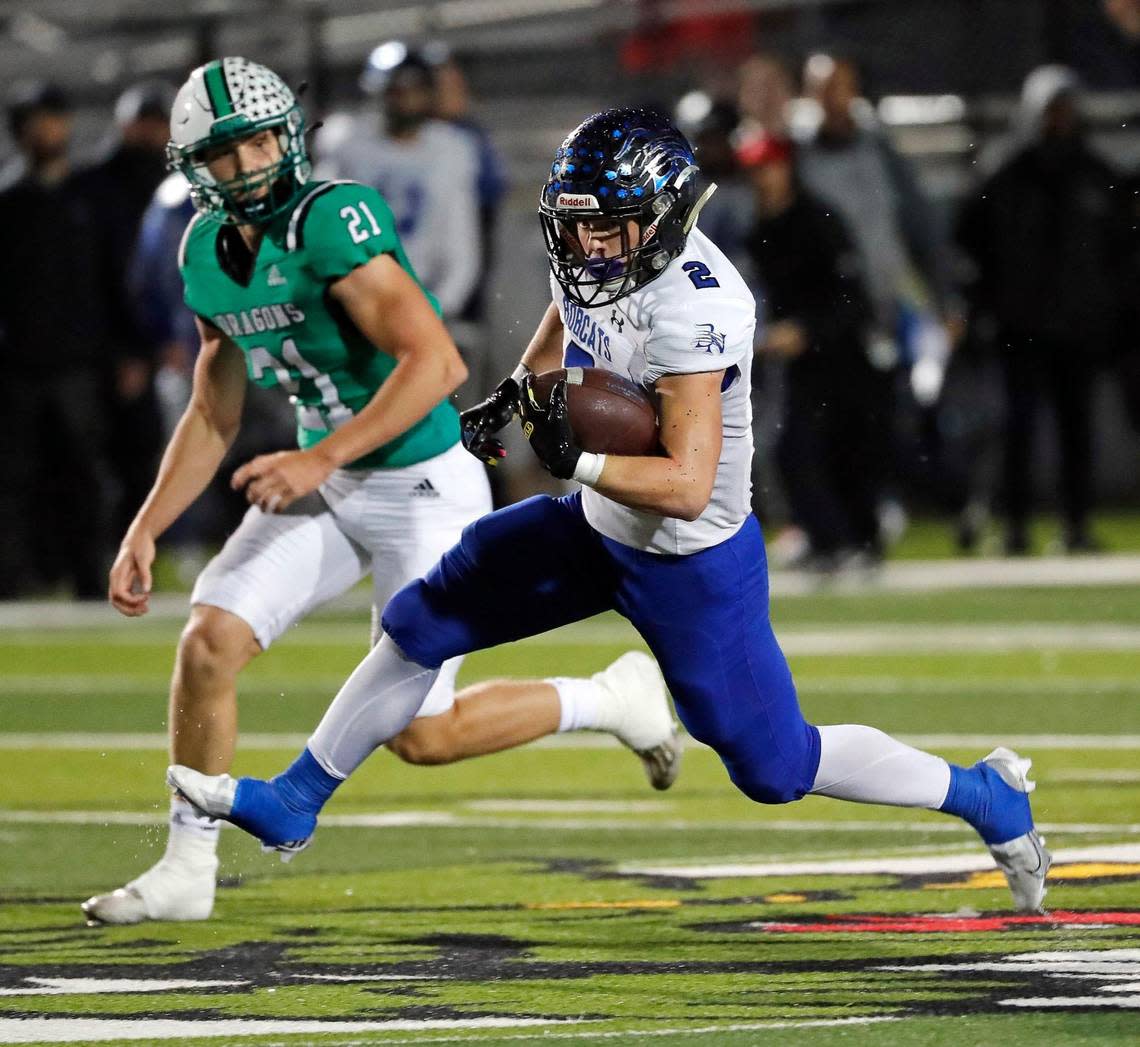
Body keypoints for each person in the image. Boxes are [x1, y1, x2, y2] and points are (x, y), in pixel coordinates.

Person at [170, 108, 1052, 915]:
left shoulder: (699, 302)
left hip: (689, 559)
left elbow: (687, 484)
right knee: (422, 616)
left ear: (663, 219)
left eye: (606, 224)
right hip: (597, 526)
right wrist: (519, 392)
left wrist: (581, 456)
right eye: (576, 222)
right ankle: (294, 799)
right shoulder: (600, 255)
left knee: (775, 766)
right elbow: (565, 315)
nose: (586, 242)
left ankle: (983, 794)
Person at [81, 61, 681, 927]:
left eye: (258, 142)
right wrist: (145, 527)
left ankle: (611, 698)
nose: (249, 165)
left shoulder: (332, 219)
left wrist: (319, 459)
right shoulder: (203, 253)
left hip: (420, 483)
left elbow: (435, 363)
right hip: (331, 475)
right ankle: (186, 867)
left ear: (287, 136)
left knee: (421, 736)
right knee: (208, 642)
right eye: (225, 152)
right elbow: (215, 406)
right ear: (191, 165)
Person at [956, 66, 1130, 554]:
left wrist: (1109, 310)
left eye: (1066, 110)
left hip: (1078, 326)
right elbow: (969, 245)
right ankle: (1015, 527)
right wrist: (982, 305)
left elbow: (1119, 252)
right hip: (1019, 325)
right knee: (1018, 429)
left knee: (1077, 429)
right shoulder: (1003, 173)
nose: (1060, 120)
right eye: (1052, 110)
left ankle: (1075, 525)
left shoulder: (1097, 176)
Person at [739, 132, 887, 568]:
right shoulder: (759, 228)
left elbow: (849, 298)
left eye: (768, 167)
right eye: (755, 169)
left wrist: (806, 330)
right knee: (796, 448)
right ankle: (831, 540)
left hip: (840, 354)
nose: (762, 177)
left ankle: (856, 540)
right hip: (798, 362)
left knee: (844, 445)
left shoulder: (818, 220)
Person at [0, 82, 111, 598]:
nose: (49, 130)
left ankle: (90, 577)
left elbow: (111, 280)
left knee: (84, 473)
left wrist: (122, 350)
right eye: (38, 120)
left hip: (78, 362)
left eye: (54, 118)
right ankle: (12, 578)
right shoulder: (9, 200)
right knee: (13, 477)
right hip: (18, 364)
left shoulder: (88, 197)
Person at [319, 41, 483, 355]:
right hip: (350, 296)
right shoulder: (346, 140)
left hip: (419, 297)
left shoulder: (450, 150)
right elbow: (319, 224)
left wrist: (442, 305)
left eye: (415, 90)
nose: (406, 99)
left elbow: (460, 236)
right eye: (397, 90)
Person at [76, 81, 175, 540]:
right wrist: (128, 348)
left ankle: (156, 543)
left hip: (178, 338)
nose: (152, 133)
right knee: (111, 455)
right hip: (114, 346)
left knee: (159, 450)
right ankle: (114, 547)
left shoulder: (181, 184)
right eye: (146, 122)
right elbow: (99, 277)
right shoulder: (96, 188)